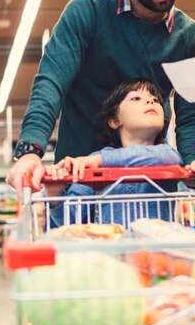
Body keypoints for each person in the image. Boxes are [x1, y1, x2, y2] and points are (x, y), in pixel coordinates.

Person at [6, 0, 195, 194]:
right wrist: (31, 149)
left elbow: (191, 119)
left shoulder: (191, 38)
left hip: (149, 188)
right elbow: (51, 82)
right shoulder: (87, 13)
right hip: (79, 186)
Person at [46, 79, 182, 228]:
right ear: (114, 120)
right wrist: (54, 195)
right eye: (136, 98)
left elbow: (171, 158)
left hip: (157, 249)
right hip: (112, 248)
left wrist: (100, 160)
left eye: (155, 100)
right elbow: (70, 220)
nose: (150, 101)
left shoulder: (166, 153)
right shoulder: (96, 161)